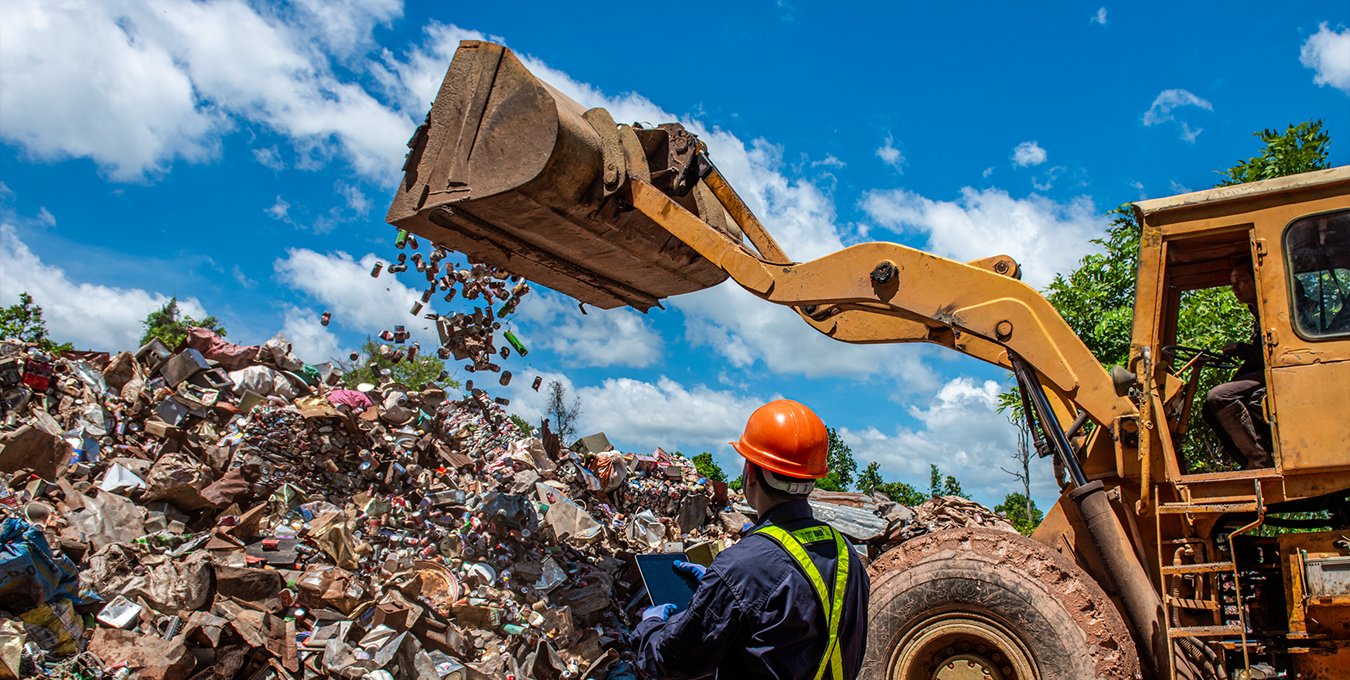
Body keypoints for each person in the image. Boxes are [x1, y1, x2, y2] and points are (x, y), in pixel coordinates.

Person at [632, 399, 870, 680]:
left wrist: (650, 625)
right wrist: (721, 589)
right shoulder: (847, 554)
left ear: (752, 472)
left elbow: (673, 662)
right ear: (812, 477)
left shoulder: (743, 566)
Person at [1200, 257, 1272, 469]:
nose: (1234, 287)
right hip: (1266, 370)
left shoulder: (1270, 310)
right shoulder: (1257, 312)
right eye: (1232, 282)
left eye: (1241, 280)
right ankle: (1247, 461)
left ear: (1257, 279)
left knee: (1219, 396)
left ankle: (1260, 460)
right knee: (1208, 408)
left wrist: (1239, 349)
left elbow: (1269, 354)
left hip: (1278, 369)